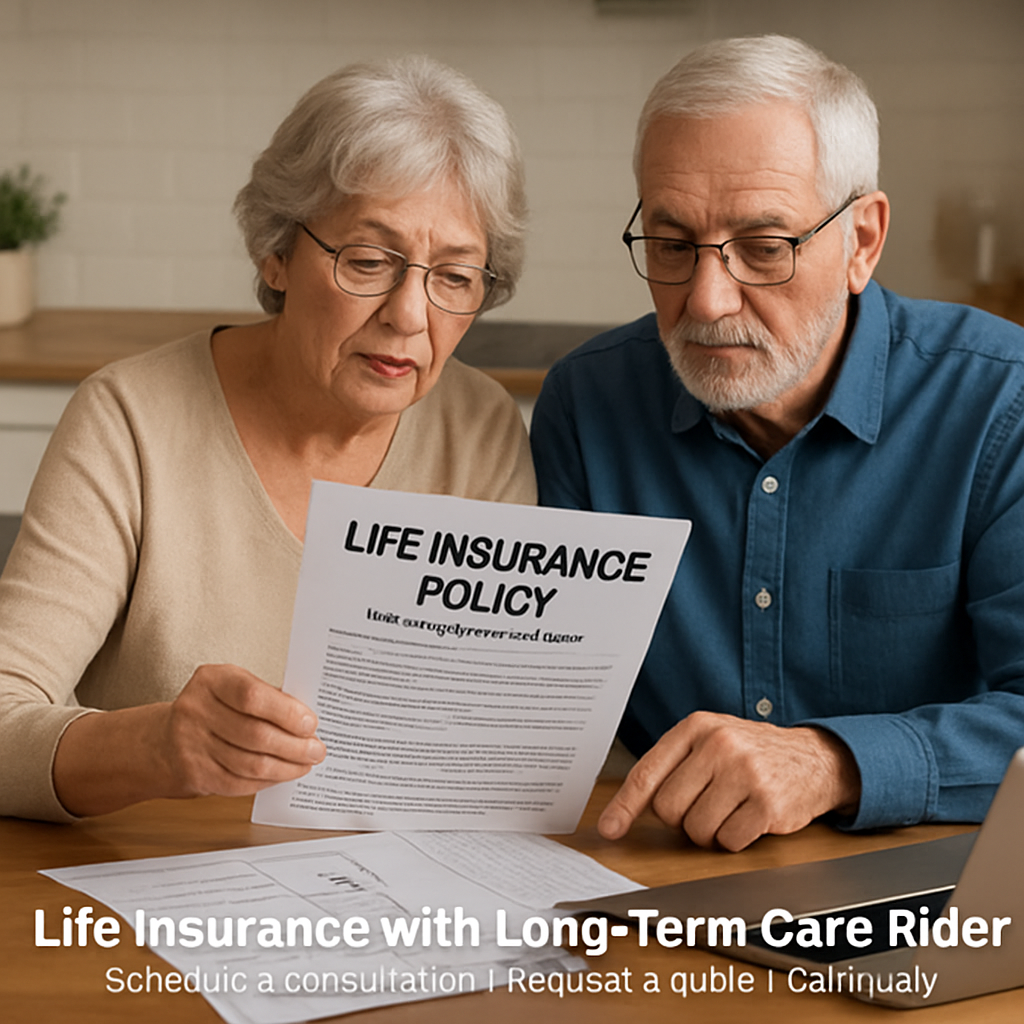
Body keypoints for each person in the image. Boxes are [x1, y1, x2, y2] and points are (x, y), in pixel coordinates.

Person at [0, 56, 535, 823]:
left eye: (455, 276)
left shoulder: (479, 427)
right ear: (276, 254)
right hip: (152, 890)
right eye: (369, 261)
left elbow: (491, 733)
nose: (411, 316)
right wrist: (151, 749)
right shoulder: (130, 419)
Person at [531, 35, 1024, 852]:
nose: (708, 299)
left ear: (862, 241)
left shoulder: (1000, 402)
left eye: (765, 249)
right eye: (672, 244)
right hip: (663, 885)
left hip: (931, 892)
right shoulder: (588, 404)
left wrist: (832, 761)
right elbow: (542, 701)